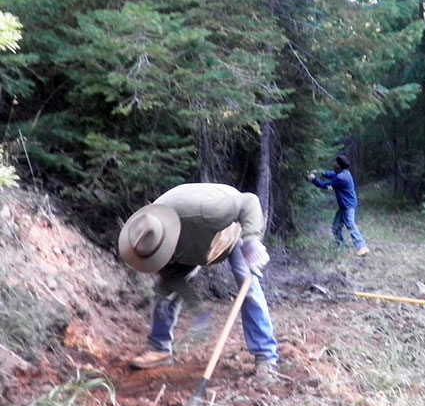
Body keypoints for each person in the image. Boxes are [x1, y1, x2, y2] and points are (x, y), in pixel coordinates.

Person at [118, 183, 280, 376]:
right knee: (164, 290)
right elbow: (174, 280)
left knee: (249, 288)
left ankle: (266, 356)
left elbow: (249, 202)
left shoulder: (202, 214)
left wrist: (252, 241)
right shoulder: (146, 234)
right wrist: (198, 310)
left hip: (232, 232)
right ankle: (159, 349)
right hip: (191, 246)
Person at [308, 155, 369, 256]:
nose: (334, 164)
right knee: (336, 227)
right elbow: (332, 174)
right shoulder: (343, 172)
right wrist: (320, 172)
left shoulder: (341, 178)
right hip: (344, 205)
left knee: (350, 224)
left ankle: (362, 247)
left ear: (339, 165)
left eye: (336, 163)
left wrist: (313, 179)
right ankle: (341, 246)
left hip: (348, 206)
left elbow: (324, 185)